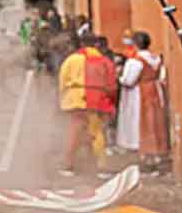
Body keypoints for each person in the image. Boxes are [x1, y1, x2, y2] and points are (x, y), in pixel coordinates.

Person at [58, 33, 117, 176]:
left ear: (81, 44)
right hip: (97, 100)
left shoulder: (71, 60)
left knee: (74, 132)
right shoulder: (105, 61)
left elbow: (62, 82)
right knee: (97, 133)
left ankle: (68, 165)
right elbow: (112, 85)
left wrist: (63, 99)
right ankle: (101, 167)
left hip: (75, 100)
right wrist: (110, 103)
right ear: (96, 44)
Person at [116, 30, 170, 173]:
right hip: (155, 92)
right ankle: (156, 153)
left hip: (138, 93)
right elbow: (162, 77)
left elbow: (128, 80)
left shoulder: (135, 61)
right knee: (155, 122)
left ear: (135, 44)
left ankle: (144, 155)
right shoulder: (156, 59)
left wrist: (119, 77)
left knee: (140, 123)